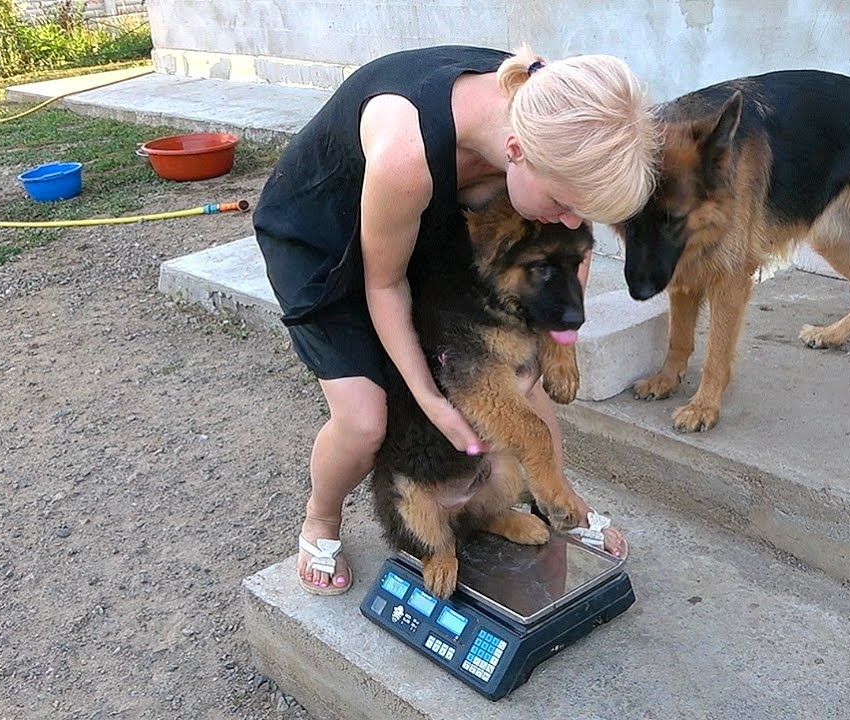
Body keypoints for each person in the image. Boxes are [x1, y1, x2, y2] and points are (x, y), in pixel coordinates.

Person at [253, 44, 659, 595]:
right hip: (322, 233)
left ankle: (560, 503)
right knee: (366, 418)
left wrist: (556, 339)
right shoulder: (406, 153)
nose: (569, 220)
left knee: (521, 380)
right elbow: (384, 284)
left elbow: (572, 249)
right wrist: (430, 397)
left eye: (579, 211)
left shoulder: (558, 118)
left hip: (423, 217)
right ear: (515, 152)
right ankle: (320, 518)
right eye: (564, 204)